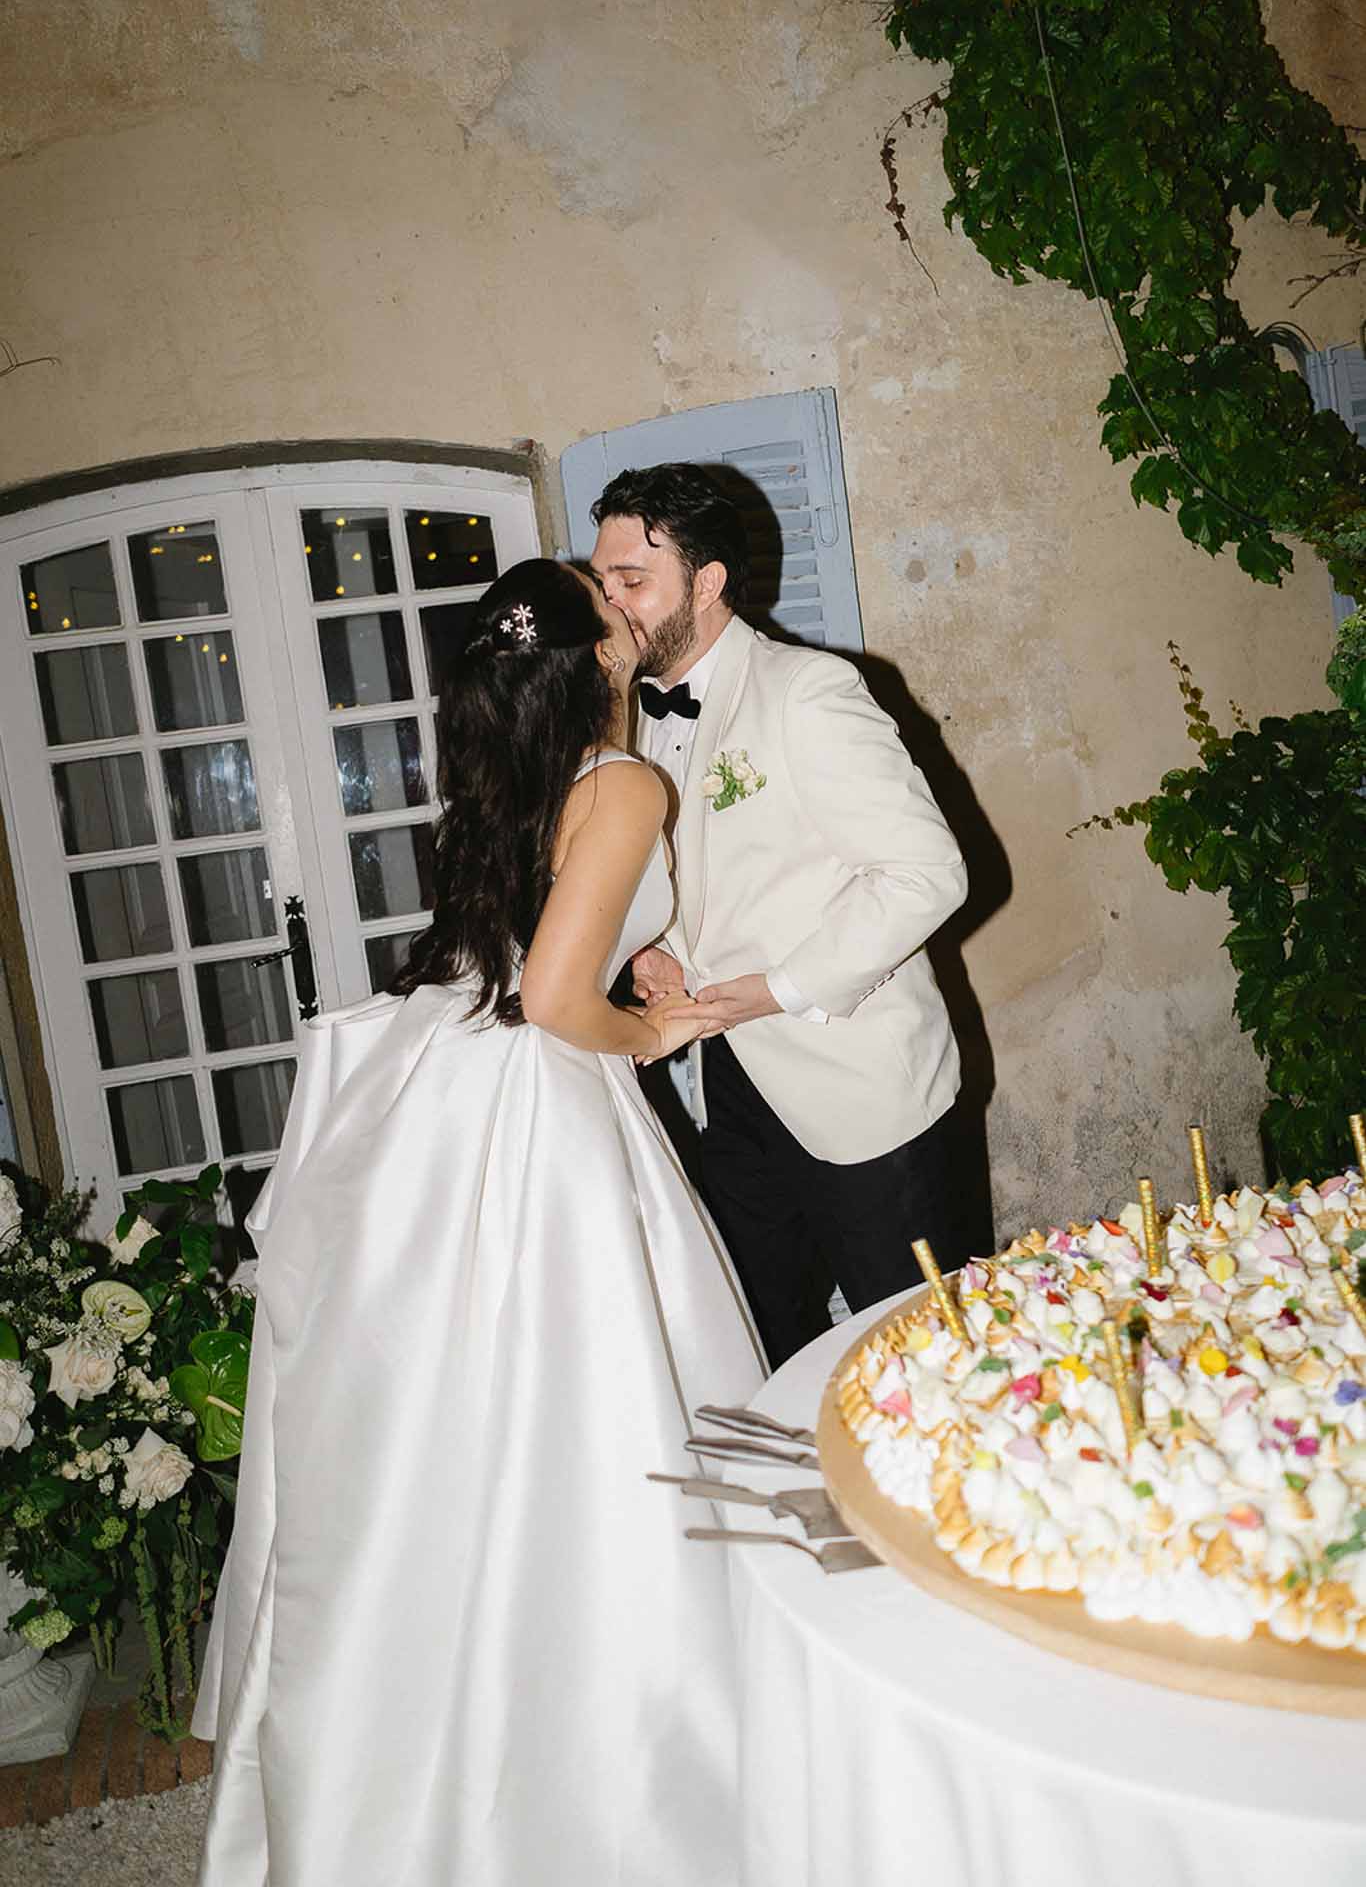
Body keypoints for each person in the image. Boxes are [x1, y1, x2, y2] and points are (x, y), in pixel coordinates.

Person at [192, 558, 764, 1887]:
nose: (632, 599)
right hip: (535, 1113)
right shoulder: (622, 783)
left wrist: (635, 955)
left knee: (448, 1422)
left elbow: (522, 941)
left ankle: (425, 1739)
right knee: (582, 1413)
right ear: (604, 651)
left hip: (443, 1089)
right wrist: (649, 1025)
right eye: (609, 594)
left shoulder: (514, 778)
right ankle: (593, 1762)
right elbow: (561, 999)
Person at [590, 463, 975, 1372]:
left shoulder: (809, 690)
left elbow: (926, 873)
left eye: (633, 583)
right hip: (725, 1094)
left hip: (866, 1095)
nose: (610, 608)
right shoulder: (628, 719)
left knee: (928, 1363)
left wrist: (782, 989)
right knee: (762, 1354)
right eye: (603, 584)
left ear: (709, 580)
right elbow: (690, 876)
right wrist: (655, 949)